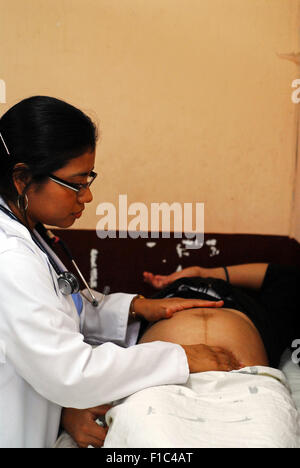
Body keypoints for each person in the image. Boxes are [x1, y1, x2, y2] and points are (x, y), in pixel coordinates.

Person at [0, 96, 241, 449]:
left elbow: (57, 313)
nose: (88, 196)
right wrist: (181, 356)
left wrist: (134, 307)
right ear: (22, 178)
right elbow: (71, 374)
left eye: (89, 179)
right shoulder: (10, 258)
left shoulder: (29, 232)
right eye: (76, 183)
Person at [142, 263, 300, 369]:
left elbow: (288, 277)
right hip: (162, 381)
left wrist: (204, 273)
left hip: (246, 380)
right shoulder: (144, 309)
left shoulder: (255, 309)